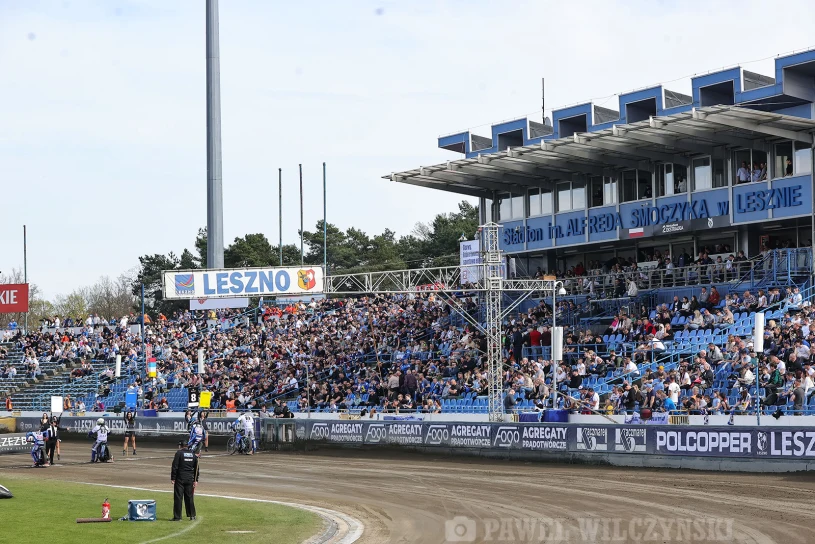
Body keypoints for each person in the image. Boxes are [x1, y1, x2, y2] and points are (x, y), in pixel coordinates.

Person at [170, 443, 199, 521]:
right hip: (190, 478)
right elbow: (196, 468)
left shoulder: (179, 453)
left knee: (178, 498)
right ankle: (192, 515)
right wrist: (196, 480)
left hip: (180, 478)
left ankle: (177, 517)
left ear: (181, 446)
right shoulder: (193, 454)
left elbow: (175, 466)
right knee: (189, 497)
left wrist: (173, 478)